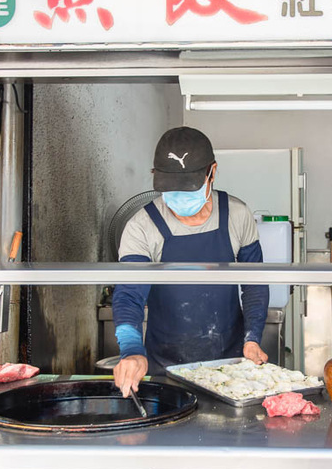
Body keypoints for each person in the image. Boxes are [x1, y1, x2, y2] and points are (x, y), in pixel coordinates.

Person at [112, 127, 269, 396]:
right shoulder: (142, 226)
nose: (178, 196)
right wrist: (132, 351)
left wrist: (252, 337)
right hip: (166, 370)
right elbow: (129, 296)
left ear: (212, 173)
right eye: (170, 188)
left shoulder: (237, 215)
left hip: (230, 368)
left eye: (188, 187)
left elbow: (254, 283)